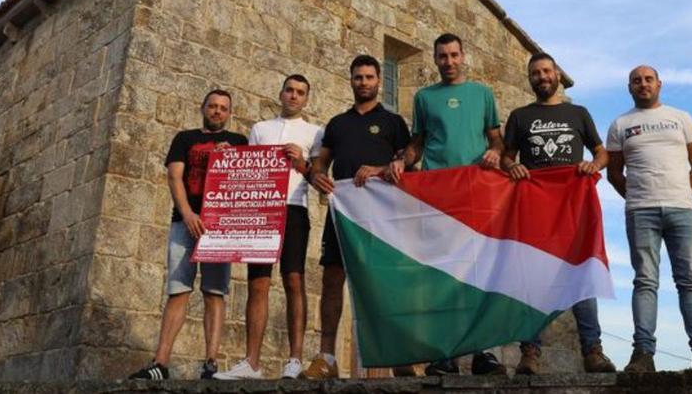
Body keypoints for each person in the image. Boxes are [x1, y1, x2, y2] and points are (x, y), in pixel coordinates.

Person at [604, 66, 692, 373]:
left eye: (648, 79)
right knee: (645, 280)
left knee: (689, 279)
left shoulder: (681, 117)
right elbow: (613, 173)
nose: (643, 84)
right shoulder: (620, 124)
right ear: (629, 87)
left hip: (681, 210)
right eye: (637, 80)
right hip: (640, 211)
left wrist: (683, 196)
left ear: (659, 84)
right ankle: (643, 354)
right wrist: (637, 198)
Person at [500, 53, 616, 375]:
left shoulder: (578, 113)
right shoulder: (520, 116)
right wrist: (513, 166)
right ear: (530, 78)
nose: (541, 77)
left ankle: (592, 351)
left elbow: (602, 152)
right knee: (532, 279)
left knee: (582, 275)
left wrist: (594, 165)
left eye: (546, 71)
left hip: (572, 208)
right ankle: (530, 353)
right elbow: (506, 158)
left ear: (557, 76)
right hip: (534, 209)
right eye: (535, 73)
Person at [400, 33, 507, 376]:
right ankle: (444, 354)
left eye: (453, 55)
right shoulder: (424, 98)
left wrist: (497, 152)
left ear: (464, 57)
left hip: (476, 194)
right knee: (443, 273)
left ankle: (484, 353)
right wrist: (404, 159)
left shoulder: (482, 94)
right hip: (438, 196)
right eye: (442, 56)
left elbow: (496, 139)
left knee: (479, 271)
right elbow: (417, 143)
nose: (448, 61)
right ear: (435, 59)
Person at [299, 55, 411, 380]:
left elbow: (406, 162)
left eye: (369, 77)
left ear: (379, 81)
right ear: (351, 80)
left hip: (381, 216)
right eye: (358, 77)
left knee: (385, 282)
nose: (363, 82)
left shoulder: (393, 123)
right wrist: (317, 175)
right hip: (342, 214)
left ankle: (398, 352)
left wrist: (385, 168)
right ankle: (328, 358)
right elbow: (321, 162)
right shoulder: (337, 123)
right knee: (333, 280)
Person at [129, 90, 248, 380]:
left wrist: (234, 161)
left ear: (229, 113)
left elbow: (248, 180)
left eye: (223, 108)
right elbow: (174, 176)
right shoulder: (185, 138)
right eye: (213, 106)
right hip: (185, 222)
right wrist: (188, 214)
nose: (217, 111)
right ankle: (161, 362)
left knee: (215, 292)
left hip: (220, 226)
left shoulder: (239, 142)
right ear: (203, 107)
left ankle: (210, 363)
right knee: (178, 290)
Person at [214, 75, 325, 380]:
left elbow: (317, 179)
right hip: (261, 209)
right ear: (280, 93)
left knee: (293, 280)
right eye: (289, 90)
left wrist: (301, 162)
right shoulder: (260, 129)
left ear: (306, 99)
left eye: (300, 92)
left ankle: (295, 359)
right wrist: (227, 158)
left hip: (294, 208)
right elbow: (247, 169)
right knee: (258, 282)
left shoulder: (315, 132)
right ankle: (252, 362)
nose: (293, 96)